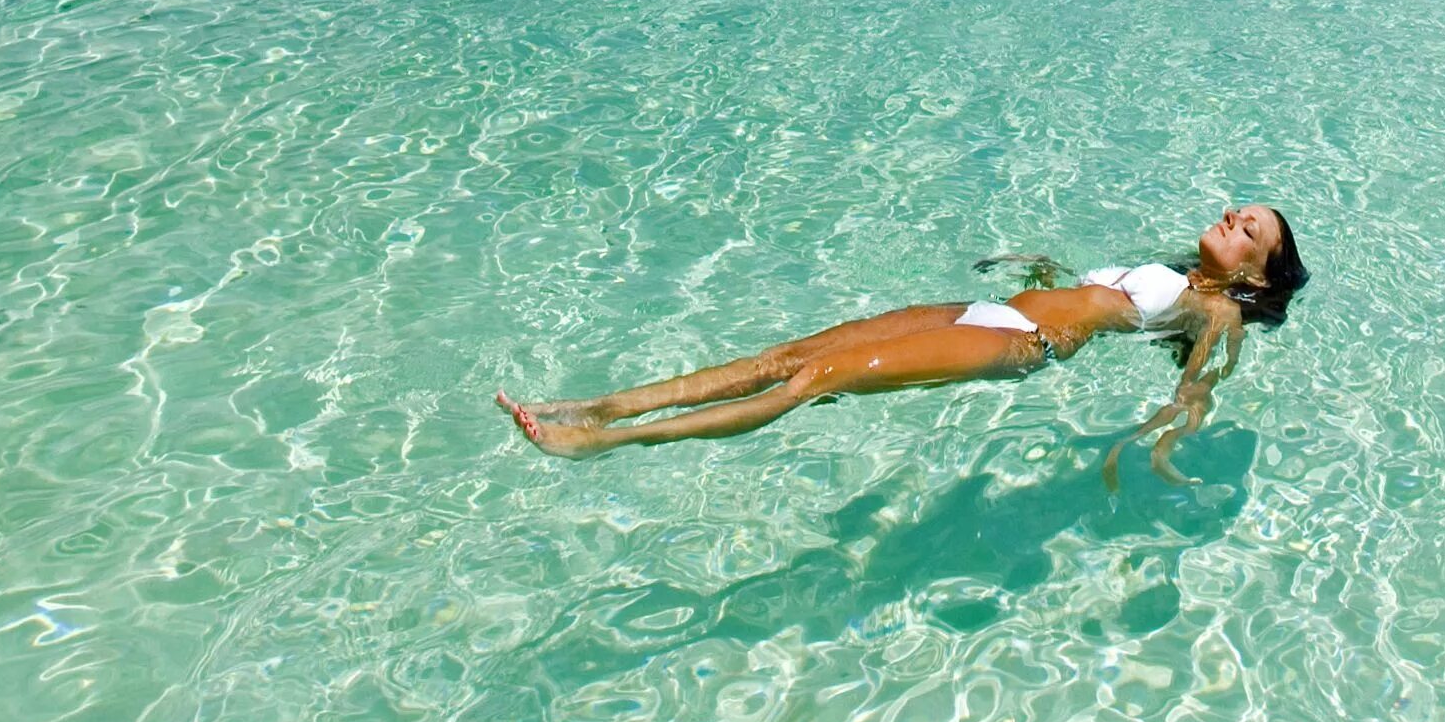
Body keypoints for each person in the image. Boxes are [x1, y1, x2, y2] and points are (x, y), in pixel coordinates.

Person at [498, 204, 1307, 478]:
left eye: (1251, 230)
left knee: (811, 380)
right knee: (782, 356)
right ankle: (594, 405)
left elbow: (1197, 386)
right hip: (988, 308)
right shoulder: (1171, 271)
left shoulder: (1220, 314)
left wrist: (1156, 442)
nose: (1233, 218)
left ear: (1256, 273)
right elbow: (1099, 294)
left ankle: (597, 444)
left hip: (1019, 343)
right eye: (1239, 210)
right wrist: (1042, 264)